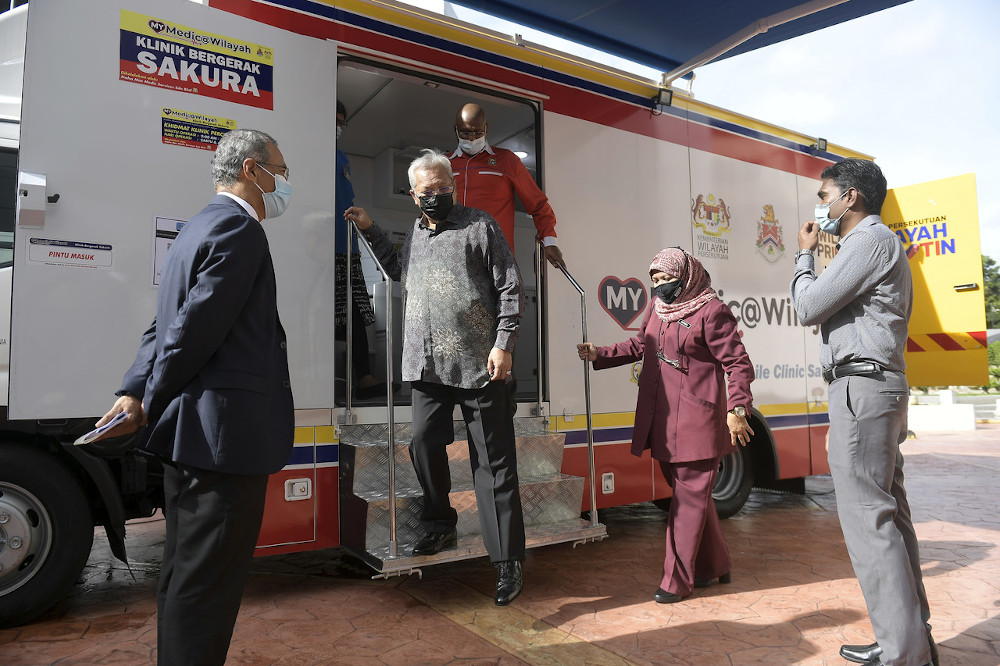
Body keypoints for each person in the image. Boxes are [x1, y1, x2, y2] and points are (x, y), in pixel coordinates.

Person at [94, 129, 295, 665]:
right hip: (224, 440)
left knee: (186, 575)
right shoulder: (240, 231)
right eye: (281, 169)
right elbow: (191, 331)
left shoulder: (195, 229)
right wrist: (150, 401)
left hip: (197, 439)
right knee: (208, 585)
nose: (285, 182)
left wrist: (134, 388)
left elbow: (163, 324)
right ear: (253, 171)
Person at [344, 148, 526, 606]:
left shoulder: (479, 226)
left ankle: (507, 561)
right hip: (426, 367)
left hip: (480, 366)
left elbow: (509, 284)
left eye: (444, 188)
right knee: (423, 443)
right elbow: (396, 269)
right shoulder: (416, 238)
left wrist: (503, 343)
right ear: (413, 194)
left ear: (454, 186)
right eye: (428, 191)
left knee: (494, 465)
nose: (437, 196)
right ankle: (440, 524)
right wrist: (368, 228)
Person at [790, 158, 937, 666]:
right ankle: (910, 640)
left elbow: (808, 307)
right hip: (878, 388)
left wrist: (804, 258)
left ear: (850, 196)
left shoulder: (868, 241)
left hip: (861, 389)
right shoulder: (877, 243)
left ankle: (902, 652)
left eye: (824, 194)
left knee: (869, 521)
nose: (821, 204)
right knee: (890, 518)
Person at [577, 247, 754, 603]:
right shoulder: (657, 311)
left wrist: (737, 408)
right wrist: (601, 354)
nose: (660, 286)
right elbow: (642, 344)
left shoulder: (711, 311)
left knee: (686, 504)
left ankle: (676, 581)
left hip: (698, 423)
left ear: (686, 277)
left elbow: (738, 363)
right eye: (655, 279)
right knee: (693, 500)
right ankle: (716, 564)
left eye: (666, 279)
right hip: (662, 419)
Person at [449, 102, 565, 268]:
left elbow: (538, 205)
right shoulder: (444, 165)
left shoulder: (507, 161)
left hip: (497, 260)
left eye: (478, 132)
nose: (472, 138)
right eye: (465, 133)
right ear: (455, 130)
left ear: (486, 128)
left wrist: (550, 242)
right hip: (454, 259)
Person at [335, 100, 386, 400]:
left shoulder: (341, 157)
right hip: (323, 251)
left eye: (342, 121)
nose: (338, 126)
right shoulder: (312, 153)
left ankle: (363, 378)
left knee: (354, 312)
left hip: (348, 247)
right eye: (334, 119)